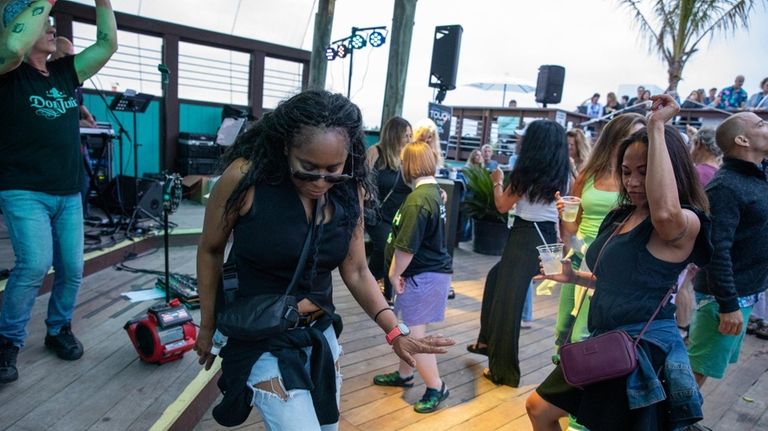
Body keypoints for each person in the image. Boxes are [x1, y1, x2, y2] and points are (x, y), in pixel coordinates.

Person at [193, 91, 454, 429]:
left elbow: (358, 270)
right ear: (286, 148)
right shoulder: (246, 178)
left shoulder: (349, 189)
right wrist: (208, 326)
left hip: (320, 335)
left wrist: (395, 331)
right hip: (263, 338)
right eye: (308, 169)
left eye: (333, 169)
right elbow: (210, 249)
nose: (320, 182)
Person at [527, 94, 712, 430]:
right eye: (626, 171)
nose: (633, 181)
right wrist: (574, 277)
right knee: (539, 408)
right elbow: (615, 280)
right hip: (605, 341)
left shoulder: (684, 221)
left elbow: (666, 213)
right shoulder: (622, 215)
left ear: (670, 170)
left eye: (645, 171)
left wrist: (657, 125)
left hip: (640, 348)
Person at [0, 0, 118, 384]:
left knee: (72, 267)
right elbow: (14, 48)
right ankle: (7, 342)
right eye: (45, 24)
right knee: (34, 265)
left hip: (67, 193)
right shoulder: (8, 70)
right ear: (22, 28)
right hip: (23, 189)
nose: (52, 28)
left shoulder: (64, 72)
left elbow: (107, 44)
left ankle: (58, 329)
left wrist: (103, 1)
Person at [553, 114, 646, 431]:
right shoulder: (588, 174)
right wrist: (563, 217)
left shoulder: (637, 180)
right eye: (631, 137)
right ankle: (566, 396)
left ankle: (583, 415)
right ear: (614, 138)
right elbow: (571, 229)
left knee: (589, 337)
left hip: (611, 265)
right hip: (579, 256)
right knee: (564, 333)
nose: (635, 145)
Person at [466, 120, 570, 387]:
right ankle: (486, 342)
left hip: (524, 236)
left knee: (507, 306)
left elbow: (501, 205)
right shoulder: (561, 173)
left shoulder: (527, 173)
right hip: (544, 236)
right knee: (495, 278)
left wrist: (497, 182)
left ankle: (504, 371)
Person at [687, 111, 768, 390]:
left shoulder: (756, 176)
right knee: (694, 371)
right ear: (743, 139)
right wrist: (728, 305)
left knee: (705, 367)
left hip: (742, 292)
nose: (767, 126)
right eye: (761, 124)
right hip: (722, 298)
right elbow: (716, 252)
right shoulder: (725, 187)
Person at [373, 140, 453, 414]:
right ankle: (405, 374)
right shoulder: (433, 193)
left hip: (423, 276)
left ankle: (436, 386)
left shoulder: (419, 199)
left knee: (416, 337)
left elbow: (406, 246)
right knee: (409, 329)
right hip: (426, 275)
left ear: (408, 166)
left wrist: (394, 274)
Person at [365, 116, 412, 301]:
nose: (409, 139)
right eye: (405, 135)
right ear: (394, 135)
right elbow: (363, 179)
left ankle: (381, 285)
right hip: (376, 213)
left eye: (410, 135)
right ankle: (373, 283)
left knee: (393, 249)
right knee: (385, 246)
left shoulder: (406, 157)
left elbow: (416, 180)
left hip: (397, 214)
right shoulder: (375, 151)